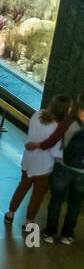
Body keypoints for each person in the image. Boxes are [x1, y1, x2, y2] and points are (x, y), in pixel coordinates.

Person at [6, 95, 73, 234]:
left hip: (28, 161)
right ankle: (28, 221)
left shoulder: (37, 114)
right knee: (37, 195)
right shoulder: (58, 127)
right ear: (64, 110)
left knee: (22, 187)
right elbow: (55, 152)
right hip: (44, 167)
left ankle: (10, 213)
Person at [43, 98, 84, 244]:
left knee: (56, 200)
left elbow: (52, 140)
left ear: (79, 104)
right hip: (82, 173)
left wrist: (38, 145)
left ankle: (50, 232)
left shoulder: (68, 122)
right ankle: (68, 235)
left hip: (63, 167)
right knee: (75, 204)